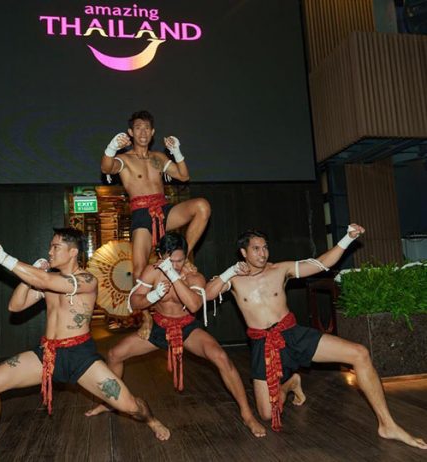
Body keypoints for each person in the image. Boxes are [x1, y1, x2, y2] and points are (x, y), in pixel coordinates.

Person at [205, 225, 427, 449]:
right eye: (256, 249)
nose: (263, 253)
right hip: (264, 345)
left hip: (292, 333)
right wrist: (230, 271)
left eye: (265, 248)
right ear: (243, 252)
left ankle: (387, 424)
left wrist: (347, 238)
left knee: (360, 353)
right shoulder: (234, 278)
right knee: (267, 414)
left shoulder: (280, 269)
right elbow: (208, 294)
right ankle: (290, 383)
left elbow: (322, 263)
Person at [0, 228, 170, 462]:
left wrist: (4, 258)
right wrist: (32, 274)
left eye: (55, 247)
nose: (50, 251)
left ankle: (152, 420)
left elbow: (46, 280)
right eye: (50, 246)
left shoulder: (87, 280)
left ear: (73, 252)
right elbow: (15, 306)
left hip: (80, 356)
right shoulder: (47, 281)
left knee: (131, 407)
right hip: (47, 354)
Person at [86, 232, 266, 438]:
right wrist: (153, 296)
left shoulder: (193, 276)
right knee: (114, 354)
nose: (177, 265)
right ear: (161, 256)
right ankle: (110, 402)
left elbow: (195, 305)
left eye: (180, 260)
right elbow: (134, 302)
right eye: (171, 261)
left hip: (187, 328)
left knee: (221, 357)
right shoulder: (152, 272)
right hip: (160, 327)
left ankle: (247, 414)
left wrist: (173, 275)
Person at [100, 110, 210, 282]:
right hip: (141, 214)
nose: (143, 132)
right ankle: (143, 299)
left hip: (163, 210)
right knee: (139, 272)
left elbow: (183, 176)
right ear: (131, 132)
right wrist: (111, 148)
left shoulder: (158, 157)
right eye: (138, 128)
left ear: (152, 132)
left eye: (146, 128)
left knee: (202, 206)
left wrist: (177, 152)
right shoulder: (125, 159)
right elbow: (106, 168)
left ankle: (183, 257)